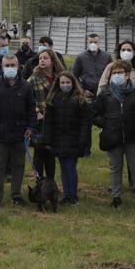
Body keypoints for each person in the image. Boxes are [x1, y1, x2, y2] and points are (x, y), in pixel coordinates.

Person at [0, 55, 36, 207]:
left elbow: (32, 109)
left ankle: (16, 195)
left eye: (13, 65)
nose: (10, 68)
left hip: (20, 134)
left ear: (18, 67)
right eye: (7, 65)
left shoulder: (25, 86)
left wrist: (30, 127)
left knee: (18, 165)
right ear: (2, 67)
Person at [92, 61, 135, 207]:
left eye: (120, 73)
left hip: (132, 136)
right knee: (115, 166)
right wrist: (106, 124)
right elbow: (94, 113)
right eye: (114, 73)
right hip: (112, 135)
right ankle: (116, 196)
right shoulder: (105, 94)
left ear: (128, 75)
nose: (117, 76)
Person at [44, 71, 93, 206]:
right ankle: (66, 195)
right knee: (63, 168)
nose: (65, 85)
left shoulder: (80, 100)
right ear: (58, 84)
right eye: (62, 83)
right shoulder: (53, 99)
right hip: (58, 139)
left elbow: (85, 123)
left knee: (70, 167)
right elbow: (48, 122)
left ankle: (72, 196)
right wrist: (47, 140)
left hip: (74, 139)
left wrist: (83, 141)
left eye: (68, 82)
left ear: (73, 83)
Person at [28, 48, 65, 187]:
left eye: (45, 58)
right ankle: (39, 183)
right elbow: (27, 96)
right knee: (39, 151)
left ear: (53, 60)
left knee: (51, 152)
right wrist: (36, 110)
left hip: (55, 119)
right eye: (40, 58)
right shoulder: (34, 77)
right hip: (40, 120)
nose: (42, 60)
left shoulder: (60, 77)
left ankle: (51, 183)